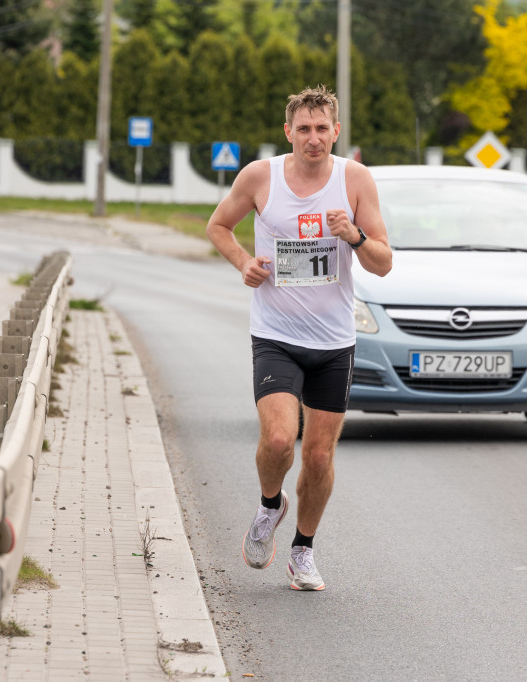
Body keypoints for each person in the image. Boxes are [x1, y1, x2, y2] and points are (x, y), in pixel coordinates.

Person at [205, 85, 392, 591]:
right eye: (303, 129)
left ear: (337, 131)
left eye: (322, 129)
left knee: (318, 455)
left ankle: (303, 551)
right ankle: (270, 506)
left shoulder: (354, 180)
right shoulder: (260, 177)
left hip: (334, 342)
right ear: (288, 132)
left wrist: (352, 234)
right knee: (281, 438)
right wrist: (245, 262)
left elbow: (383, 261)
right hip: (276, 334)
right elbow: (219, 226)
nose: (314, 138)